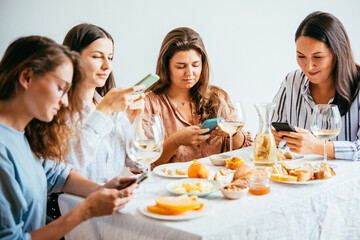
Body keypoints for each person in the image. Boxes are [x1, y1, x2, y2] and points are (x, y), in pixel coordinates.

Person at [0, 35, 138, 239]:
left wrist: (99, 189)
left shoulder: (25, 134)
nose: (65, 102)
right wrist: (86, 210)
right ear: (27, 77)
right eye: (60, 88)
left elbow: (56, 174)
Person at [144, 27, 253, 165]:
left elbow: (247, 150)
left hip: (217, 182)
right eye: (180, 66)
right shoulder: (150, 104)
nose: (189, 73)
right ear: (166, 66)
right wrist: (175, 142)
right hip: (174, 186)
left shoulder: (217, 97)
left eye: (195, 65)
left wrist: (233, 134)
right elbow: (143, 166)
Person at [272, 11, 360, 160]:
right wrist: (274, 138)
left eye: (317, 57)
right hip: (302, 177)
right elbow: (269, 132)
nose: (309, 66)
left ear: (338, 53)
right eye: (301, 56)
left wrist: (319, 147)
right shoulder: (292, 81)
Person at [63, 23, 144, 184]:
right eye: (97, 56)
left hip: (112, 202)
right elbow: (67, 168)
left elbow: (140, 163)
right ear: (73, 58)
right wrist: (103, 111)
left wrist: (136, 121)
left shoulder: (113, 108)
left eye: (110, 57)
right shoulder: (58, 110)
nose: (107, 66)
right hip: (74, 204)